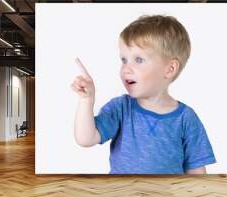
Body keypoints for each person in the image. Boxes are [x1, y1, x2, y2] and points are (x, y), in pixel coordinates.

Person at [71, 15, 216, 174]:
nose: (126, 69)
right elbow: (85, 139)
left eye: (138, 60)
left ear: (169, 69)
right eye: (124, 60)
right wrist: (86, 100)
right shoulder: (121, 108)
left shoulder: (186, 118)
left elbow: (197, 172)